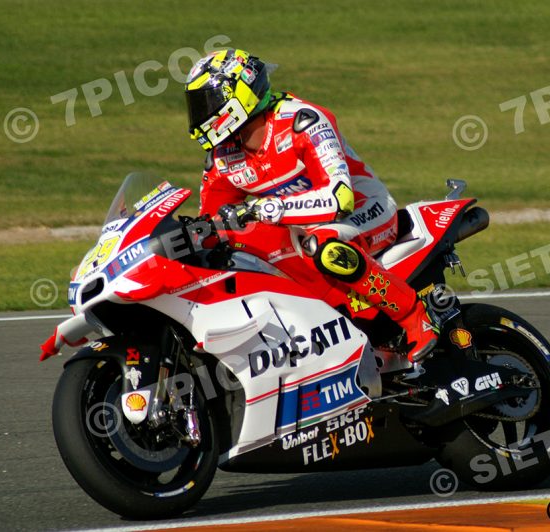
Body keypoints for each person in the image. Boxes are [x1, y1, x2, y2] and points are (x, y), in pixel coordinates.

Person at [184, 48, 437, 362]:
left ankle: (415, 317)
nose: (200, 114)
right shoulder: (223, 157)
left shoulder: (302, 121)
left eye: (206, 103)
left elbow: (339, 197)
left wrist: (266, 208)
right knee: (237, 250)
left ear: (239, 96)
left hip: (365, 209)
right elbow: (212, 224)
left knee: (325, 246)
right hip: (301, 228)